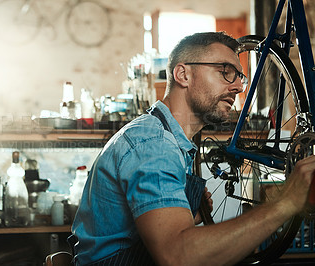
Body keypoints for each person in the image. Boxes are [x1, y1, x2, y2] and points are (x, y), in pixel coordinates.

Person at [70, 32, 315, 265]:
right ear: (183, 75)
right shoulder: (154, 145)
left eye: (240, 77)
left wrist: (182, 214)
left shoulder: (169, 138)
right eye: (225, 72)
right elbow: (178, 257)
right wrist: (286, 202)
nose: (239, 87)